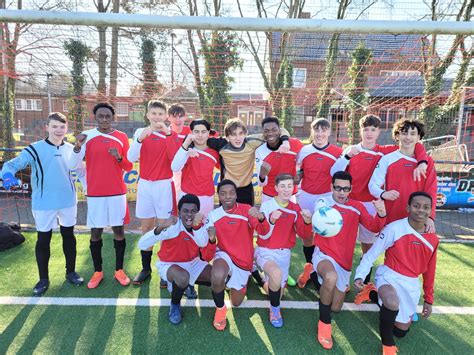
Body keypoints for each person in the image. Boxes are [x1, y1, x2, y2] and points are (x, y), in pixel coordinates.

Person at [330, 114, 428, 283]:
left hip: (371, 205)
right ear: (360, 131)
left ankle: (364, 282)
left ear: (379, 132)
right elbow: (333, 173)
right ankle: (340, 279)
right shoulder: (351, 150)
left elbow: (416, 146)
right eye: (365, 129)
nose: (369, 133)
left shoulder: (385, 151)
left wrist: (423, 162)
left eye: (373, 129)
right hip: (350, 204)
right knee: (343, 241)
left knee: (368, 245)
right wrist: (346, 157)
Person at [1, 112, 84, 296]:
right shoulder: (34, 149)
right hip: (44, 203)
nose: (58, 130)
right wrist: (7, 176)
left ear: (66, 129)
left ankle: (71, 272)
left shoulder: (71, 149)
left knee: (69, 236)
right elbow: (11, 165)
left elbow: (81, 171)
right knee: (43, 239)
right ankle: (43, 279)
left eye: (62, 127)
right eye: (54, 126)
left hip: (68, 201)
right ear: (46, 127)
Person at [353, 192, 438, 355]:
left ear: (430, 211)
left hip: (411, 283)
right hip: (389, 276)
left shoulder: (433, 239)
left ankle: (372, 293)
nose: (421, 210)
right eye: (416, 206)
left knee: (400, 332)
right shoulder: (394, 228)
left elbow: (430, 271)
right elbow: (372, 253)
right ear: (408, 207)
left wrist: (429, 299)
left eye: (426, 207)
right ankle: (387, 344)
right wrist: (360, 274)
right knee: (392, 303)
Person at [311, 171, 386, 350]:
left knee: (336, 307)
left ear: (351, 189)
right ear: (331, 187)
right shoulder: (324, 203)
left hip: (344, 262)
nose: (341, 192)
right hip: (324, 254)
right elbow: (317, 211)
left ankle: (313, 276)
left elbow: (374, 226)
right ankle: (324, 326)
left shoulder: (357, 206)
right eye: (338, 188)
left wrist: (381, 214)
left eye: (345, 189)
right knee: (330, 277)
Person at [68, 102, 133, 289]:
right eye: (100, 116)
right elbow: (73, 164)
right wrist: (78, 145)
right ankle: (98, 272)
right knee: (95, 232)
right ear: (94, 117)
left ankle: (119, 270)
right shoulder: (87, 136)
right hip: (95, 193)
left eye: (108, 116)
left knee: (118, 231)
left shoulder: (121, 137)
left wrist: (118, 157)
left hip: (117, 193)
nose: (104, 119)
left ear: (113, 118)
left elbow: (128, 166)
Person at [127, 100, 181, 286]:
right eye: (153, 113)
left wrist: (168, 135)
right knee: (147, 226)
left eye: (160, 114)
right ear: (148, 115)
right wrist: (140, 139)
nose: (157, 117)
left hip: (164, 185)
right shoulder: (139, 133)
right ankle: (146, 268)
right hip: (145, 186)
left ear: (166, 117)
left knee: (165, 227)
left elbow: (175, 161)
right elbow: (131, 158)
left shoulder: (170, 134)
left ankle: (165, 270)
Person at [204, 179, 270, 331]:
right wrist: (212, 239)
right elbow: (208, 251)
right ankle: (220, 309)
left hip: (243, 262)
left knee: (236, 303)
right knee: (217, 274)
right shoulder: (213, 215)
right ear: (218, 196)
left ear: (236, 195)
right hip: (225, 256)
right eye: (223, 193)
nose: (228, 196)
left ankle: (238, 280)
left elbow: (264, 231)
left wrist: (260, 217)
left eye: (231, 193)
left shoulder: (247, 210)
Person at [137, 194, 211, 325]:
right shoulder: (171, 227)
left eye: (193, 211)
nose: (189, 215)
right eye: (185, 211)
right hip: (169, 264)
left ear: (198, 213)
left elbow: (203, 243)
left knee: (218, 277)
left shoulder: (201, 225)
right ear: (179, 212)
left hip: (192, 263)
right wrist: (160, 228)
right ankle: (175, 305)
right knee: (182, 277)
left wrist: (196, 227)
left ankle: (188, 285)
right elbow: (141, 244)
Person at [256, 173, 313, 327]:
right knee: (275, 274)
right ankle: (275, 311)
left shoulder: (295, 208)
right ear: (276, 188)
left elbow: (304, 234)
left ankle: (258, 276)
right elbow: (262, 232)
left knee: (276, 292)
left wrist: (307, 222)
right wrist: (271, 220)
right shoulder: (267, 206)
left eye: (289, 186)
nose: (286, 189)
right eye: (283, 186)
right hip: (265, 251)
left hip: (284, 254)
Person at [296, 118, 342, 289]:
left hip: (327, 198)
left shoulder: (338, 152)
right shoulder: (303, 150)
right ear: (312, 131)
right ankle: (310, 268)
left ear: (329, 132)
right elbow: (299, 172)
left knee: (325, 234)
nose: (320, 134)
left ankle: (325, 270)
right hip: (307, 196)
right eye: (317, 130)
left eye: (324, 130)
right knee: (307, 236)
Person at [368, 119, 437, 230]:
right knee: (392, 247)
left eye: (413, 134)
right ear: (397, 136)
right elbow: (372, 186)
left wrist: (430, 217)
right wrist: (383, 193)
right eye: (404, 133)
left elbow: (431, 191)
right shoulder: (387, 159)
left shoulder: (427, 162)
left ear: (419, 137)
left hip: (418, 217)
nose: (408, 137)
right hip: (391, 216)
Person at [205, 118, 290, 206]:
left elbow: (281, 130)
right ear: (227, 136)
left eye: (241, 133)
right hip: (227, 189)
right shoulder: (220, 144)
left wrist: (285, 142)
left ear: (246, 134)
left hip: (246, 189)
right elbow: (199, 139)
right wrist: (190, 146)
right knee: (226, 218)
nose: (238, 138)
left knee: (248, 218)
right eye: (233, 134)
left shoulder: (251, 142)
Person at [171, 119, 219, 216]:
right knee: (185, 228)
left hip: (207, 197)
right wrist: (186, 147)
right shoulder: (185, 150)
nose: (200, 135)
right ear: (191, 133)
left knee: (204, 227)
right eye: (196, 132)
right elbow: (174, 168)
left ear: (208, 133)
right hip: (187, 195)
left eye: (203, 131)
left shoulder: (215, 152)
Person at [256, 116, 304, 203]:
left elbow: (304, 165)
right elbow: (261, 183)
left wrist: (299, 175)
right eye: (266, 131)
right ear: (263, 133)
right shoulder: (260, 151)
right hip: (269, 196)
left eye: (274, 130)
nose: (270, 133)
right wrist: (262, 175)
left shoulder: (295, 144)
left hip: (289, 194)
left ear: (279, 131)